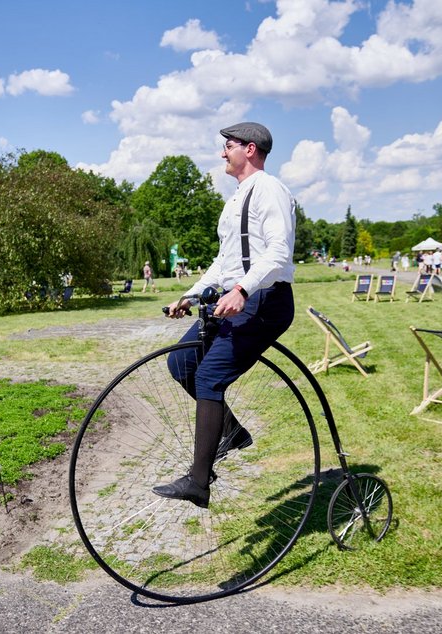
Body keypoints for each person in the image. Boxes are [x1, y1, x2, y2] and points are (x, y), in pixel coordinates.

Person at [155, 122, 296, 508]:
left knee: (209, 376)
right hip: (235, 299)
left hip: (263, 302)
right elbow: (225, 262)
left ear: (249, 149)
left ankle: (198, 482)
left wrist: (243, 289)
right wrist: (190, 294)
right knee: (181, 362)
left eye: (228, 146)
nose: (222, 153)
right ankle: (231, 432)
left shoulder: (270, 190)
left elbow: (278, 252)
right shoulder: (235, 200)